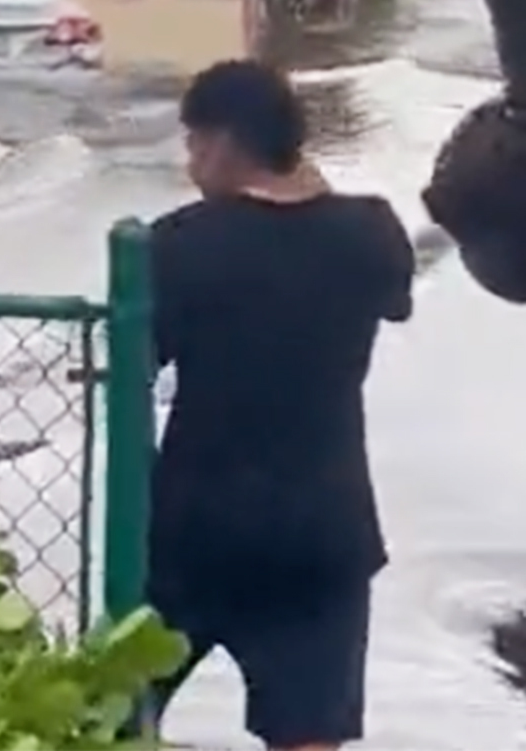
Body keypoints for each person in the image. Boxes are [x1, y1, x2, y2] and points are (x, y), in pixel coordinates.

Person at [141, 60, 415, 751]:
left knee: (119, 707)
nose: (192, 161)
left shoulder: (178, 243)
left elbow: (135, 361)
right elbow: (396, 299)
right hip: (322, 528)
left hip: (194, 528)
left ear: (225, 142)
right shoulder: (371, 232)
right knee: (310, 733)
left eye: (194, 143)